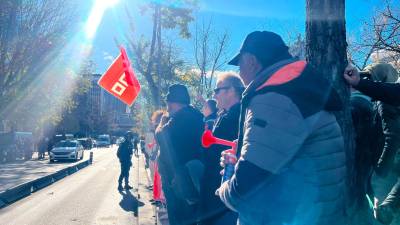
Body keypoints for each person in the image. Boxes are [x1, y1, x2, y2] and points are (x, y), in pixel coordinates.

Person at [217, 31, 346, 225]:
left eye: (239, 65)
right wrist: (241, 160)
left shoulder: (274, 98)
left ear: (251, 61)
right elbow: (285, 160)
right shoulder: (296, 88)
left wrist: (224, 189)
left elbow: (245, 189)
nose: (239, 73)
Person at [155, 84, 205, 225]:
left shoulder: (178, 119)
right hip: (190, 179)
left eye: (168, 103)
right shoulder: (197, 115)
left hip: (178, 182)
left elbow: (161, 136)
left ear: (171, 103)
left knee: (178, 218)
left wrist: (160, 124)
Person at [200, 72, 243, 225]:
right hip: (220, 190)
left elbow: (211, 152)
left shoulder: (235, 117)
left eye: (217, 90)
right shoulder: (229, 115)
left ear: (231, 90)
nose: (215, 95)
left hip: (222, 193)